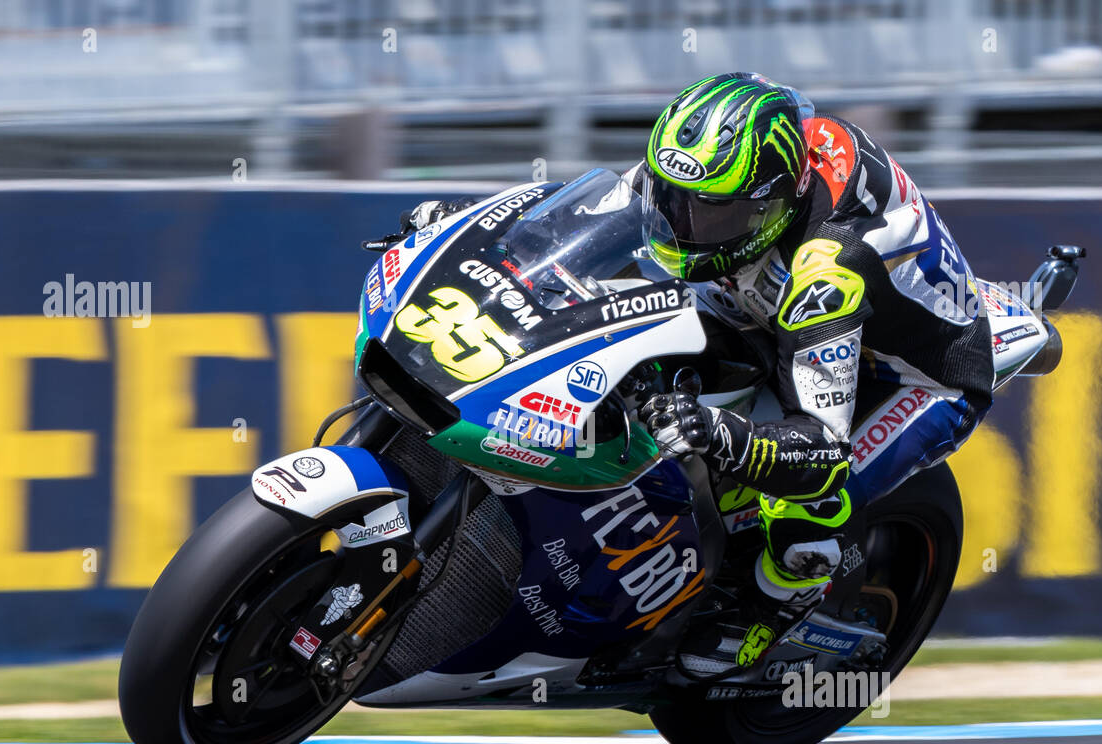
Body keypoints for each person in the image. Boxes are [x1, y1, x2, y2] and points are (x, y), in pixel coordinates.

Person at [379, 72, 994, 678]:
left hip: (913, 375)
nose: (683, 225)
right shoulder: (725, 165)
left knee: (811, 494)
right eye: (675, 200)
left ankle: (775, 603)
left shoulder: (827, 273)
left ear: (772, 205)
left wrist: (716, 432)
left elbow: (821, 446)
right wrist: (466, 228)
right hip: (767, 305)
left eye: (710, 213)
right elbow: (587, 221)